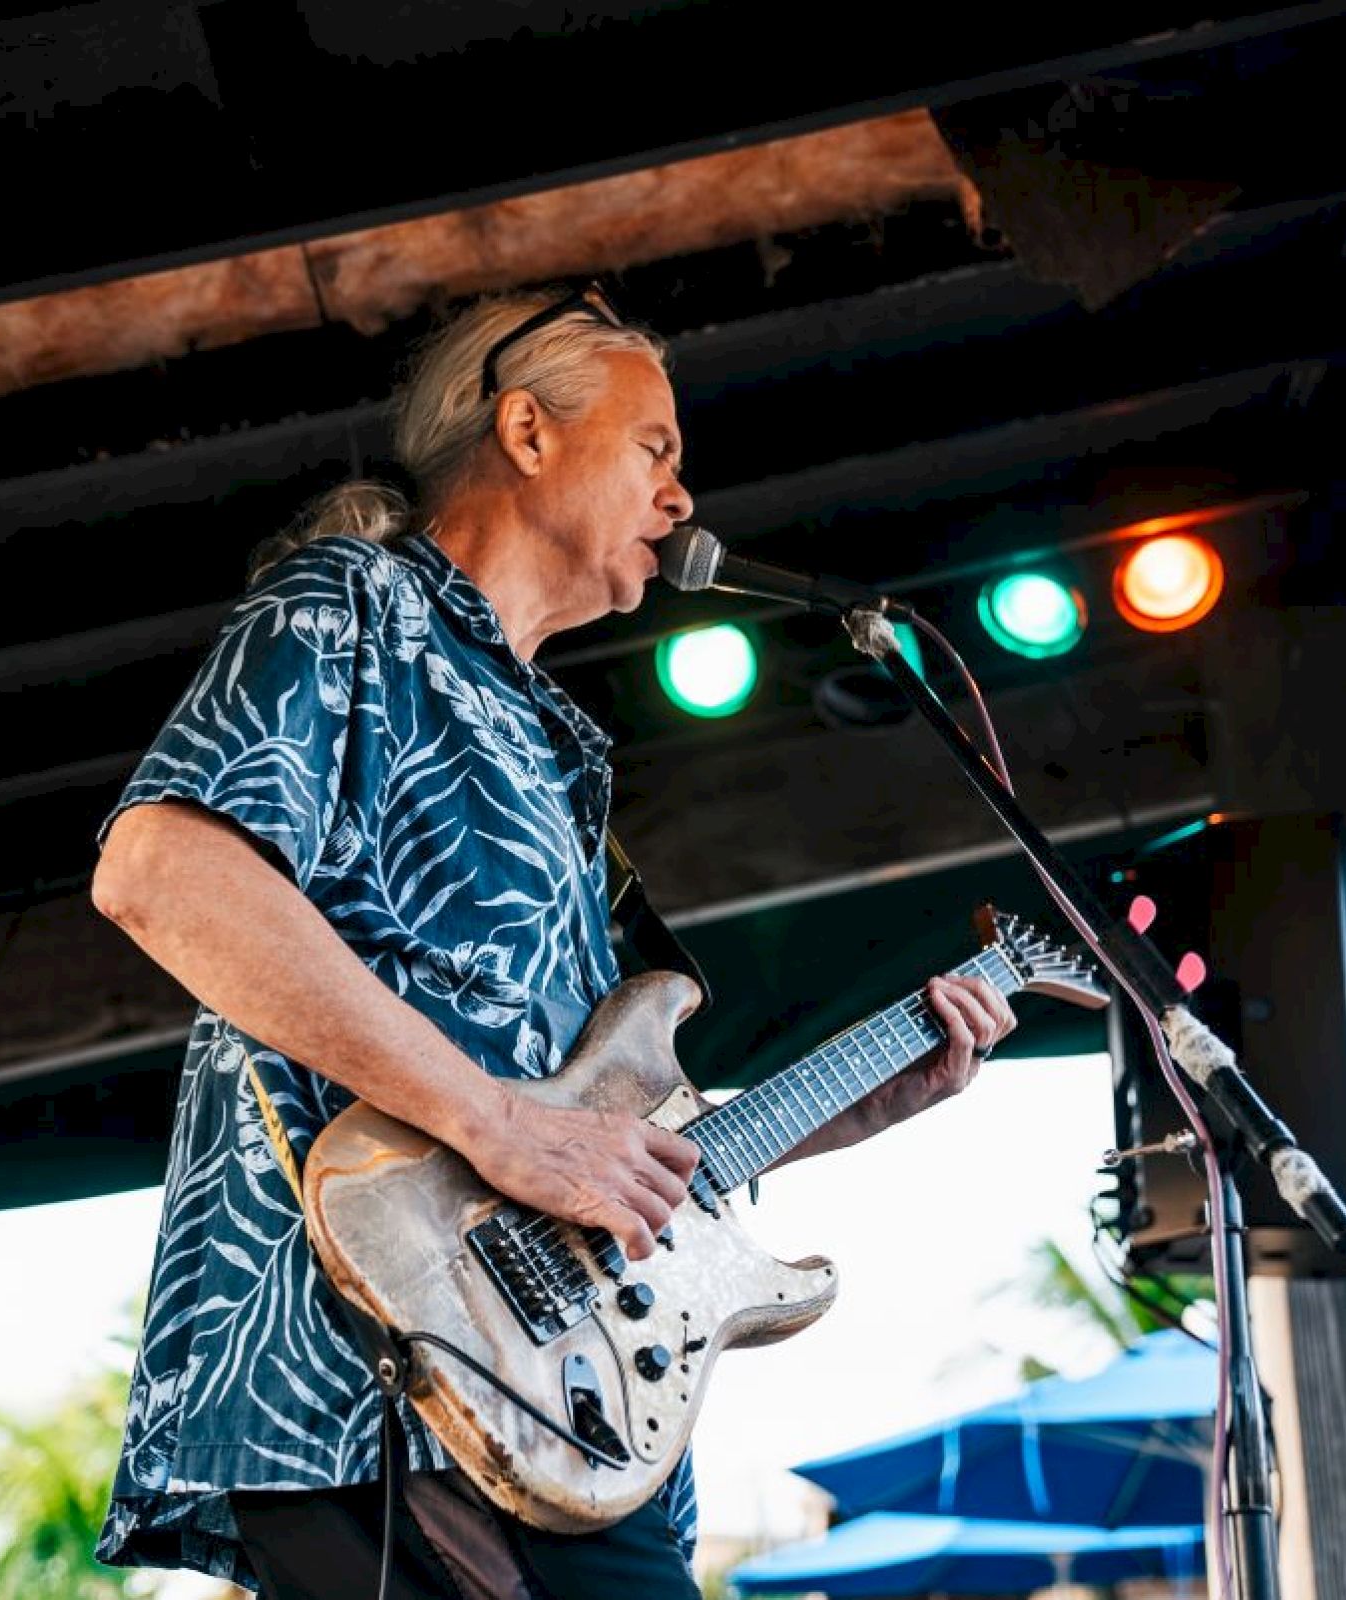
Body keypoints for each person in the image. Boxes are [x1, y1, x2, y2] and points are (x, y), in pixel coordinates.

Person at [90, 282, 1016, 1600]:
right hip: (372, 1368)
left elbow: (600, 1129)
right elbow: (159, 873)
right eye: (656, 449)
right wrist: (502, 1127)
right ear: (527, 434)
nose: (683, 498)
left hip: (579, 1404)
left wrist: (857, 1108)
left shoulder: (555, 745)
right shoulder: (357, 604)